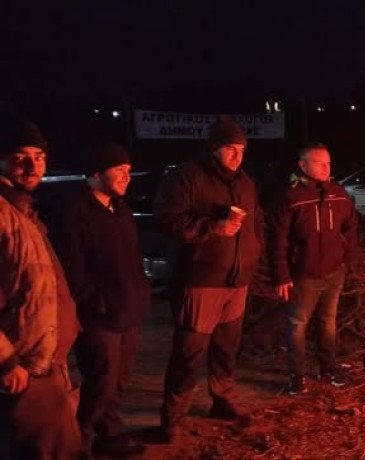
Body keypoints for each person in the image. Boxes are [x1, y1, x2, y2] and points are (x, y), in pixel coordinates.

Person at [153, 115, 263, 442]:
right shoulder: (187, 177)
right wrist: (211, 227)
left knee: (227, 347)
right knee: (190, 351)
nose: (236, 156)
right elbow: (166, 220)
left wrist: (255, 256)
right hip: (201, 280)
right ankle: (173, 415)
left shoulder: (245, 182)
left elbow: (257, 224)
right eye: (230, 149)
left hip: (237, 281)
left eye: (241, 150)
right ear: (214, 148)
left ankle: (222, 398)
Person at [54, 141, 150, 458]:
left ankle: (109, 435)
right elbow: (71, 269)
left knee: (118, 381)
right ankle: (77, 442)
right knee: (101, 382)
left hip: (128, 311)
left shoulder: (119, 210)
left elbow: (133, 259)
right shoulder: (75, 213)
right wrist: (95, 302)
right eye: (119, 170)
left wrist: (140, 292)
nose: (127, 177)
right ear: (96, 174)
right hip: (99, 316)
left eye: (128, 170)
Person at [0, 117, 82, 459]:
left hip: (50, 361)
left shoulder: (26, 213)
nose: (33, 165)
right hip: (24, 369)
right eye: (21, 156)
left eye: (40, 156)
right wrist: (6, 362)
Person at [269, 143, 357, 395]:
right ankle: (297, 377)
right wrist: (281, 275)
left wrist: (348, 260)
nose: (326, 167)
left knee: (328, 321)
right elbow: (278, 239)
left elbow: (351, 227)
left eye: (328, 162)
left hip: (333, 271)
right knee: (297, 325)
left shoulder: (338, 193)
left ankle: (328, 369)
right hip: (303, 274)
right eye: (319, 162)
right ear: (303, 165)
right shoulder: (291, 196)